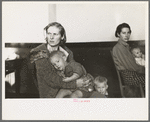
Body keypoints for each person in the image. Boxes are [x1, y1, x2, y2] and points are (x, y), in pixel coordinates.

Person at [30, 22, 86, 98]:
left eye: (55, 34)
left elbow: (73, 68)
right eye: (49, 33)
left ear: (62, 36)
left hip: (68, 90)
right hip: (50, 94)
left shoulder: (67, 52)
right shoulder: (38, 52)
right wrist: (75, 84)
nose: (51, 37)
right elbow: (50, 79)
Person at [112, 23, 145, 89]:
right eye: (124, 33)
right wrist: (145, 70)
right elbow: (132, 66)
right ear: (118, 34)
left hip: (134, 74)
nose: (127, 35)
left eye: (128, 33)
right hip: (130, 77)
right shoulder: (119, 48)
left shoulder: (125, 46)